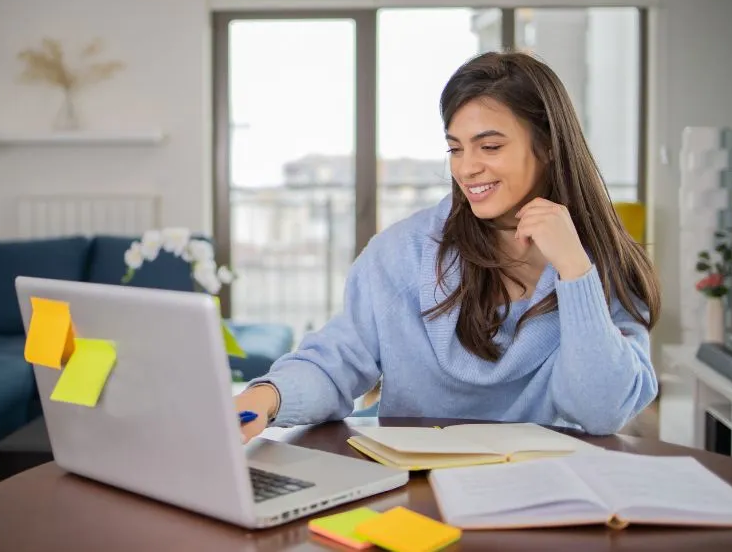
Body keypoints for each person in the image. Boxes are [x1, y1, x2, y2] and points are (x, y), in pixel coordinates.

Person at [234, 51, 661, 440]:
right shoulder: (401, 254)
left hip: (547, 494)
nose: (468, 168)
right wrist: (264, 399)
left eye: (490, 146)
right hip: (418, 493)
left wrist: (574, 270)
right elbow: (336, 361)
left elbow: (601, 411)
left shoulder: (602, 264)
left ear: (548, 145)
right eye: (455, 149)